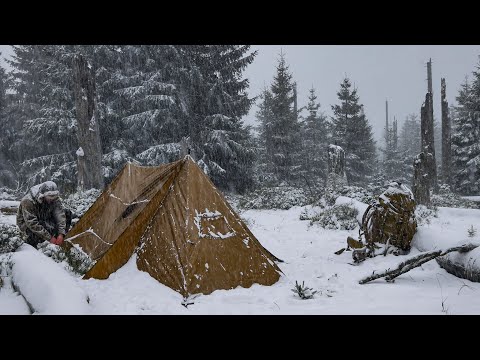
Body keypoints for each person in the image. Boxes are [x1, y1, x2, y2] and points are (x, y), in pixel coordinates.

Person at [16, 181, 73, 248]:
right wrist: (49, 238)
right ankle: (34, 244)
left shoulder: (55, 199)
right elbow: (32, 223)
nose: (52, 199)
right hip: (28, 225)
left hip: (44, 218)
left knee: (67, 213)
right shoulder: (28, 201)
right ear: (42, 195)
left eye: (54, 197)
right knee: (36, 234)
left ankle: (59, 239)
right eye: (50, 197)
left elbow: (60, 214)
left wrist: (61, 233)